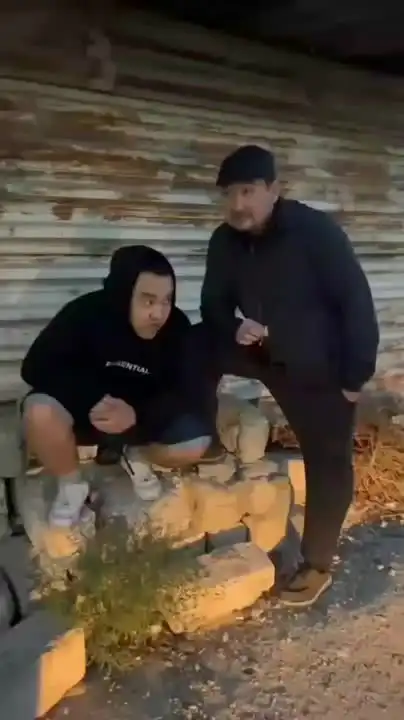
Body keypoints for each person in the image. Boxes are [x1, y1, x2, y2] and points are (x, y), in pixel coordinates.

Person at [190, 144, 379, 608]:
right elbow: (212, 305)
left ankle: (315, 565)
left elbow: (356, 303)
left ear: (274, 189)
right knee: (193, 341)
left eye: (248, 192)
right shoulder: (224, 241)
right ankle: (197, 434)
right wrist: (233, 327)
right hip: (260, 351)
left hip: (317, 368)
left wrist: (354, 377)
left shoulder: (315, 233)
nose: (238, 204)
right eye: (229, 194)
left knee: (328, 460)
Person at [20, 245, 210, 531]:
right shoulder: (85, 312)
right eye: (148, 301)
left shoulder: (178, 328)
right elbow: (35, 366)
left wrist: (137, 415)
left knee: (195, 442)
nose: (159, 313)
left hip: (139, 423)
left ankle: (135, 457)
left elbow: (187, 391)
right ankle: (71, 486)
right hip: (86, 416)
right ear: (123, 294)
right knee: (39, 411)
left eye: (167, 300)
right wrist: (91, 399)